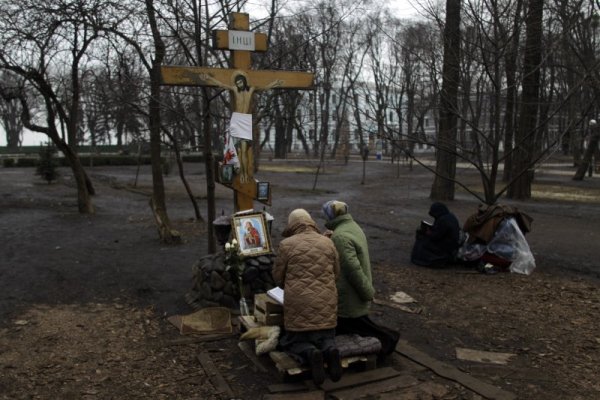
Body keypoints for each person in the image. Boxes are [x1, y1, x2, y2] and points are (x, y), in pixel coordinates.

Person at [322, 200, 400, 359]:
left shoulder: (340, 237)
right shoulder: (351, 226)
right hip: (354, 294)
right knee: (359, 326)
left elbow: (353, 269)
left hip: (349, 296)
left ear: (331, 215)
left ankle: (388, 341)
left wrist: (366, 291)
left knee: (358, 327)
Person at [272, 209, 342, 384]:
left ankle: (310, 353)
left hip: (299, 305)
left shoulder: (286, 244)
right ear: (311, 222)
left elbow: (278, 278)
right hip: (326, 303)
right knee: (325, 336)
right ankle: (331, 349)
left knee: (291, 342)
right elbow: (336, 273)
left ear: (291, 225)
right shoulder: (327, 242)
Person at [199, 71, 282, 183]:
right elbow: (221, 84)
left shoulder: (251, 90)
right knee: (237, 149)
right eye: (237, 82)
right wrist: (208, 78)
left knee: (244, 150)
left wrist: (275, 84)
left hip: (246, 121)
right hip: (237, 119)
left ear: (244, 81)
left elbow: (263, 88)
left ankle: (244, 173)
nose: (239, 84)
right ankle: (237, 171)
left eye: (240, 82)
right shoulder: (234, 89)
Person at [411, 202, 461, 267]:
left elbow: (436, 236)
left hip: (445, 246)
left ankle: (423, 259)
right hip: (450, 243)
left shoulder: (443, 220)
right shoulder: (450, 216)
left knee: (422, 241)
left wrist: (427, 232)